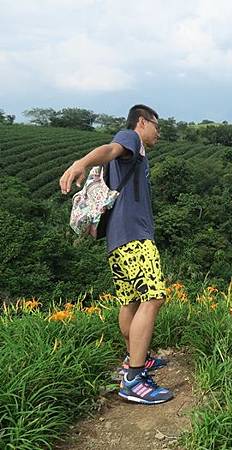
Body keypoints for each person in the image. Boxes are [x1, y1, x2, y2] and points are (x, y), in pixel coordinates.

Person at [59, 104, 173, 404]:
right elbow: (109, 149)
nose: (158, 133)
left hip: (117, 240)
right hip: (134, 237)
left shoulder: (135, 155)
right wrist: (80, 163)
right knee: (153, 297)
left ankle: (135, 360)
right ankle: (134, 379)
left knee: (131, 301)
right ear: (142, 122)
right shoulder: (130, 139)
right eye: (156, 126)